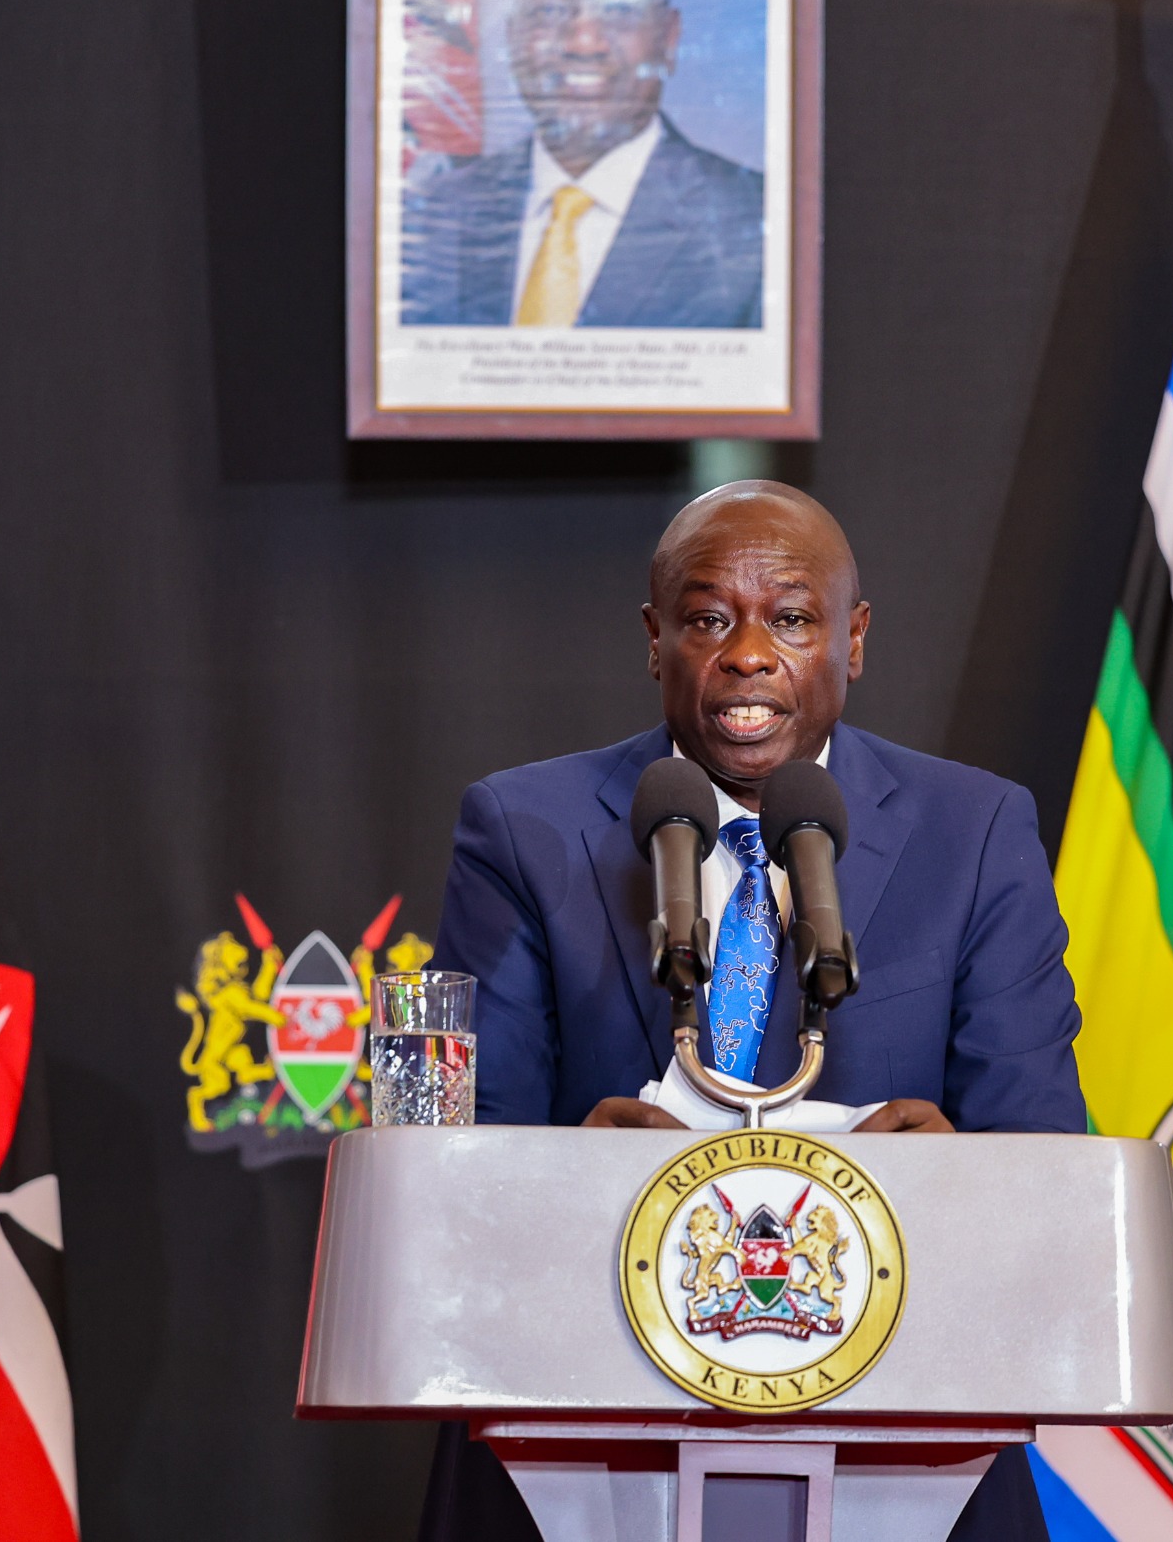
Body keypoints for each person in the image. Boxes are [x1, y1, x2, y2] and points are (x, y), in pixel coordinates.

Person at [419, 481, 1082, 1542]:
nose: (748, 655)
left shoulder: (975, 830)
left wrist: (958, 1180)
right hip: (583, 1436)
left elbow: (1044, 1160)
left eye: (793, 618)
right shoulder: (524, 828)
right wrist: (563, 1172)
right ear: (656, 640)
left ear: (852, 639)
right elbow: (451, 1165)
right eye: (707, 618)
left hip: (900, 1442)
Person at [401, 0, 765, 330]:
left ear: (668, 39)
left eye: (620, 11)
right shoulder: (431, 217)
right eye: (551, 11)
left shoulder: (757, 226)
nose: (583, 42)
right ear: (513, 37)